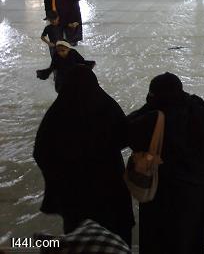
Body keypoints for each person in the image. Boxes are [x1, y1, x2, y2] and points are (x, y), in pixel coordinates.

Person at [33, 65, 134, 246]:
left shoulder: (57, 113)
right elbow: (125, 137)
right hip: (109, 185)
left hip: (73, 192)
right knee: (115, 231)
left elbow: (41, 152)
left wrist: (61, 172)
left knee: (79, 236)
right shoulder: (106, 105)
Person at [128, 72, 204, 254]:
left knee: (159, 240)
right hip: (197, 189)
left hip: (164, 192)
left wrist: (149, 105)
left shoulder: (151, 117)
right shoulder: (199, 111)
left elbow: (126, 131)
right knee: (191, 239)